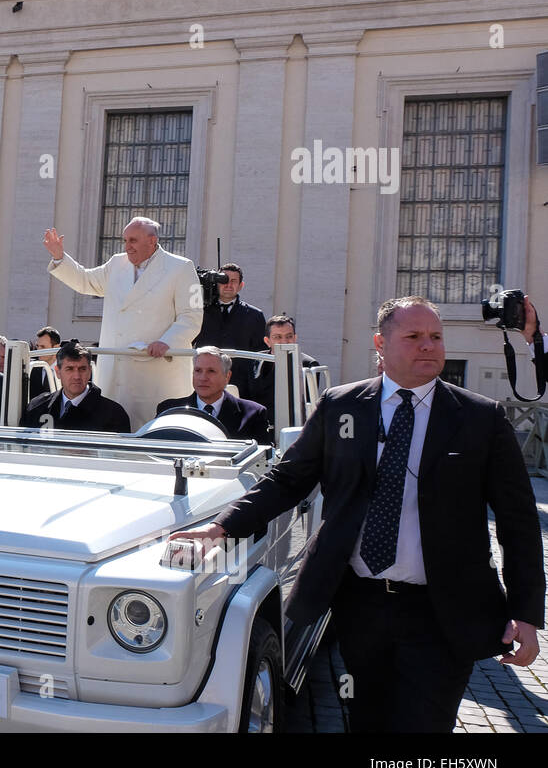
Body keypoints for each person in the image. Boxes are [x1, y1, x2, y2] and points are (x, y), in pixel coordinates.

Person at [170, 297, 545, 733]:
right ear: (380, 344)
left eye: (436, 337)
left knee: (425, 724)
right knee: (366, 718)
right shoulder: (341, 406)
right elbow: (288, 480)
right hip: (360, 605)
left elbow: (518, 522)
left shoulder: (481, 418)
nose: (429, 346)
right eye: (414, 337)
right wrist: (220, 527)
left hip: (442, 612)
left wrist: (526, 613)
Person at [44, 217, 203, 429]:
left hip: (156, 368)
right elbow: (85, 280)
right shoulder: (116, 263)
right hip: (117, 369)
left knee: (153, 432)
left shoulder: (182, 268)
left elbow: (192, 316)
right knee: (113, 430)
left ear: (152, 240)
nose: (127, 247)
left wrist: (167, 341)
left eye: (133, 241)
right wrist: (59, 257)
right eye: (125, 240)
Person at [155, 346, 269, 442]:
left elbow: (261, 462)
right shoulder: (169, 411)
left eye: (211, 371)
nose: (203, 378)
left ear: (227, 376)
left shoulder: (253, 414)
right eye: (198, 371)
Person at [21, 341, 130, 433]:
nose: (77, 376)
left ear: (89, 372)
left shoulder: (114, 415)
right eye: (70, 369)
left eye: (82, 369)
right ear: (58, 372)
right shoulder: (37, 407)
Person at [194, 262, 267, 398]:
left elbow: (260, 352)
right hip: (204, 381)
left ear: (241, 286)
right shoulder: (199, 312)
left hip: (241, 385)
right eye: (224, 280)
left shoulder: (254, 315)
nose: (228, 285)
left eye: (233, 281)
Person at [247, 314, 320, 426]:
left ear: (295, 338)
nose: (284, 342)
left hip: (291, 427)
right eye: (277, 337)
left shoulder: (308, 365)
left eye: (289, 336)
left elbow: (308, 404)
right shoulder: (254, 360)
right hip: (257, 426)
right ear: (267, 341)